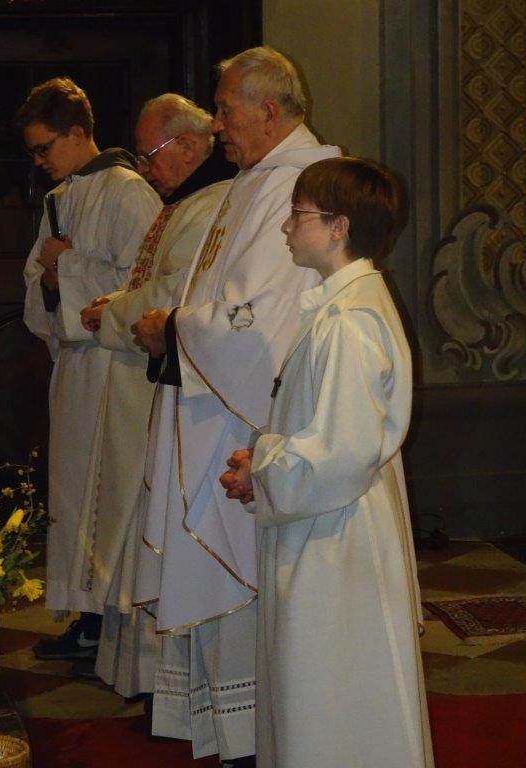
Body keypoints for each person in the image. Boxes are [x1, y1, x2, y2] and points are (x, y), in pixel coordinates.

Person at [132, 47, 341, 765]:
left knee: (248, 587)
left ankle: (256, 744)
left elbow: (256, 329)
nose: (216, 124)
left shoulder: (303, 187)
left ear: (268, 111)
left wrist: (173, 328)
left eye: (224, 110)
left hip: (250, 426)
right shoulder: (255, 182)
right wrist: (181, 327)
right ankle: (237, 740)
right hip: (215, 409)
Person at [220, 157, 435, 768]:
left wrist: (262, 468)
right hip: (329, 517)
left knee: (331, 689)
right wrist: (266, 456)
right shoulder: (342, 306)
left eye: (299, 215)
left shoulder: (349, 321)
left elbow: (340, 454)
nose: (286, 227)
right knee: (326, 685)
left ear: (339, 227)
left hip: (335, 532)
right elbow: (330, 432)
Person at [72, 93, 235, 691]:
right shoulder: (185, 203)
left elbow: (175, 295)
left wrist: (114, 312)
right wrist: (120, 306)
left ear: (189, 145)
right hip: (152, 383)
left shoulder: (213, 204)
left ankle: (164, 681)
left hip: (181, 391)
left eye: (150, 154)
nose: (144, 169)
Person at [18, 76, 161, 659]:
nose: (39, 160)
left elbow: (148, 285)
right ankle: (86, 615)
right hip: (76, 368)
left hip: (118, 371)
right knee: (77, 496)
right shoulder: (58, 199)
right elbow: (38, 282)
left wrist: (69, 266)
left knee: (113, 495)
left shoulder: (130, 192)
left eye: (45, 147)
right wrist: (55, 278)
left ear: (78, 133)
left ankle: (114, 623)